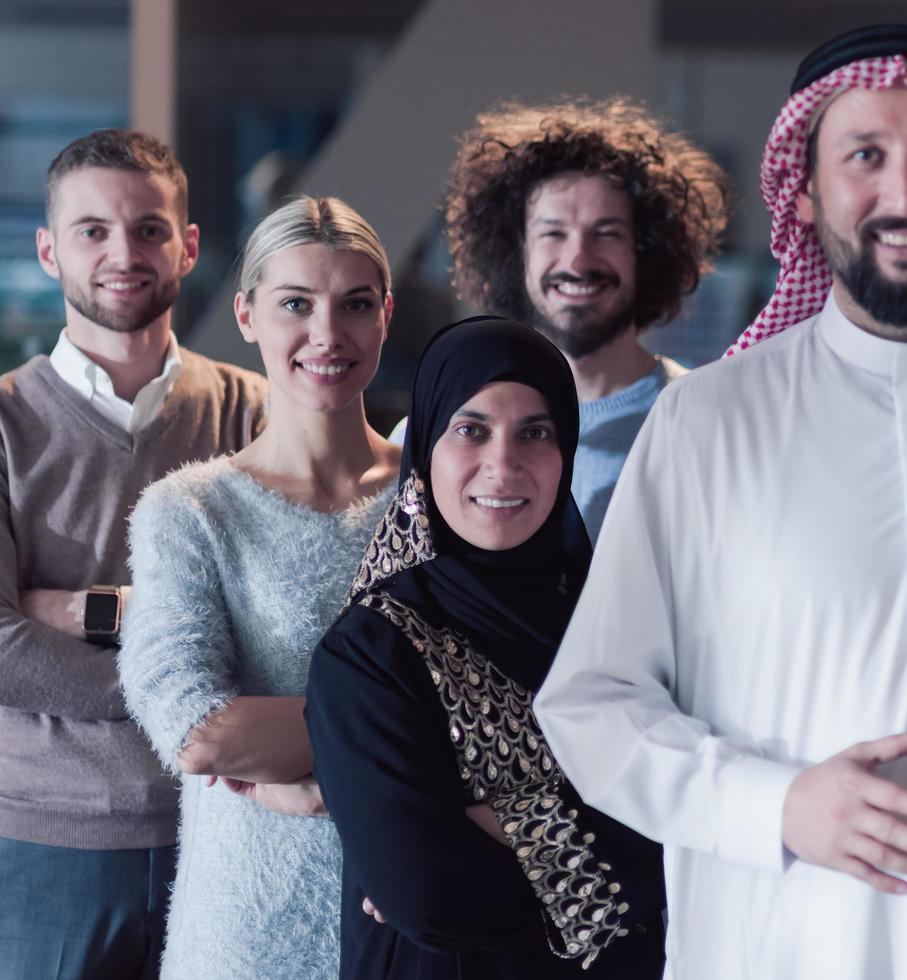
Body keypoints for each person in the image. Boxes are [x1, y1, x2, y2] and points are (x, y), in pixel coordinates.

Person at [534, 23, 907, 980]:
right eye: (866, 155)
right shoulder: (707, 423)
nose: (900, 193)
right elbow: (592, 706)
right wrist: (776, 806)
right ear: (806, 185)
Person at [301, 317, 665, 979]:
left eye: (535, 432)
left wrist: (515, 823)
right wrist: (618, 850)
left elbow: (687, 827)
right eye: (470, 431)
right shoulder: (369, 652)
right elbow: (428, 896)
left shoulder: (620, 627)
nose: (503, 464)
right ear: (426, 449)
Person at [0, 129, 267, 978]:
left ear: (187, 246)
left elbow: (274, 627)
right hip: (46, 841)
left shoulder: (256, 414)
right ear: (49, 251)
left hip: (233, 832)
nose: (124, 253)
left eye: (149, 229)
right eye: (92, 231)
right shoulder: (4, 425)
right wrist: (197, 693)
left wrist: (80, 610)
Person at [119, 195, 401, 979]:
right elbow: (200, 731)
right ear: (246, 315)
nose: (326, 334)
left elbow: (504, 710)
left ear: (385, 315)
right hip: (246, 928)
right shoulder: (190, 511)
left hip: (417, 912)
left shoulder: (441, 498)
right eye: (294, 305)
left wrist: (317, 777)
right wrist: (411, 738)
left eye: (354, 305)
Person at [442, 99, 728, 538]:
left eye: (607, 233)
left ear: (647, 252)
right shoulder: (449, 426)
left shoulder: (708, 429)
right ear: (516, 252)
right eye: (553, 234)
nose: (577, 260)